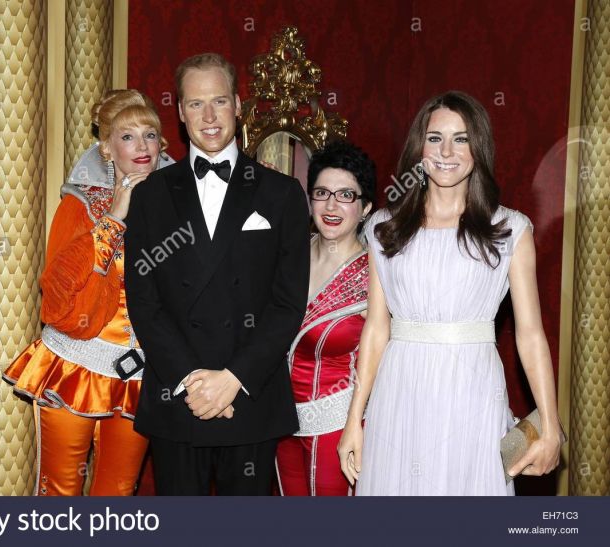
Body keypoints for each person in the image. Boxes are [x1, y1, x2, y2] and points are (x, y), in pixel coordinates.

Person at [338, 91, 562, 496]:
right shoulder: (384, 229)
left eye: (461, 139)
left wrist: (549, 425)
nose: (446, 151)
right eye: (435, 138)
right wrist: (355, 419)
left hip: (472, 391)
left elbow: (530, 335)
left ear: (479, 148)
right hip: (399, 390)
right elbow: (376, 329)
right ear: (418, 147)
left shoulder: (510, 230)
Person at [124, 53, 310, 495]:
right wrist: (193, 382)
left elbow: (287, 303)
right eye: (196, 104)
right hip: (178, 396)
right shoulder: (150, 196)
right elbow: (144, 301)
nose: (208, 117)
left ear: (238, 106)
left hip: (250, 394)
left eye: (219, 101)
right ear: (180, 112)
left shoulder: (282, 194)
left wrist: (232, 380)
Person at [3, 89, 172, 496]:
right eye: (127, 136)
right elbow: (58, 288)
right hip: (75, 362)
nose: (142, 146)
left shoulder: (177, 208)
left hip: (140, 372)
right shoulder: (79, 205)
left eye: (149, 135)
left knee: (119, 490)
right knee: (61, 489)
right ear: (107, 148)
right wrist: (114, 217)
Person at [276, 141, 375, 496]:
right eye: (322, 193)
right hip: (280, 421)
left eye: (346, 195)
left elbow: (382, 362)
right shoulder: (287, 254)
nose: (331, 206)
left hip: (339, 426)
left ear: (365, 208)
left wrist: (356, 424)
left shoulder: (376, 274)